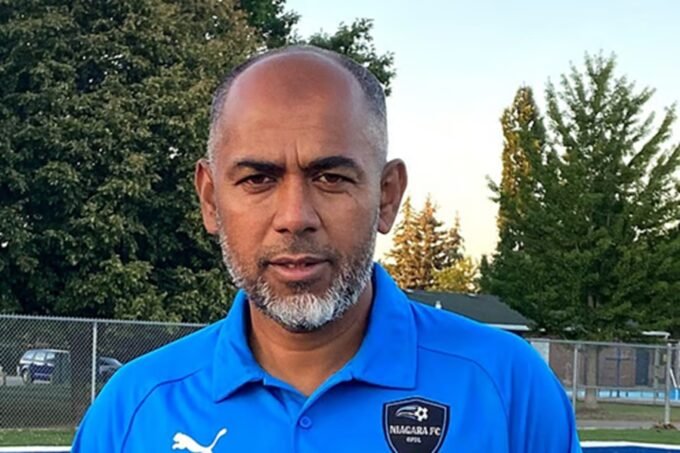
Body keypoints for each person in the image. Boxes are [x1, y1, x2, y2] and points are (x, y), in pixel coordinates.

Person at [72, 45, 581, 453]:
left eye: (331, 177)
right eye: (257, 179)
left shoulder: (508, 388)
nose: (295, 217)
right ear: (210, 200)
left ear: (386, 197)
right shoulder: (133, 410)